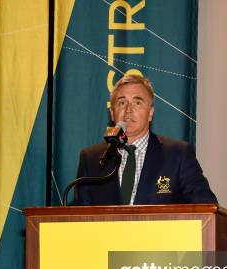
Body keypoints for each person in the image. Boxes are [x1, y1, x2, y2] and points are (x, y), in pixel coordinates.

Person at [75, 74, 217, 205]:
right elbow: (78, 215)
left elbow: (206, 206)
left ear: (150, 113)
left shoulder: (178, 155)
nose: (128, 110)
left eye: (137, 103)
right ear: (112, 113)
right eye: (122, 103)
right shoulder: (91, 159)